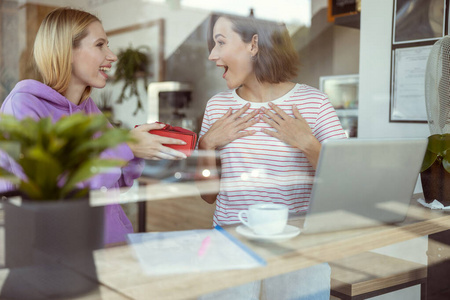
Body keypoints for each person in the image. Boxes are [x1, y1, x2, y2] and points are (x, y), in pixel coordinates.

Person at [0, 7, 187, 245]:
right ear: (66, 51)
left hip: (110, 247)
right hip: (58, 256)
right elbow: (53, 191)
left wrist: (137, 149)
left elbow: (115, 184)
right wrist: (125, 146)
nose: (112, 55)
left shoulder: (88, 109)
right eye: (100, 45)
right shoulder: (24, 105)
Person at [197, 14, 347, 299]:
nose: (212, 55)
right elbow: (208, 195)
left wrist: (309, 145)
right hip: (229, 244)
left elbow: (344, 183)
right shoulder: (217, 106)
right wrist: (206, 145)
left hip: (298, 246)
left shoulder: (313, 103)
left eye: (220, 42)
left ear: (253, 44)